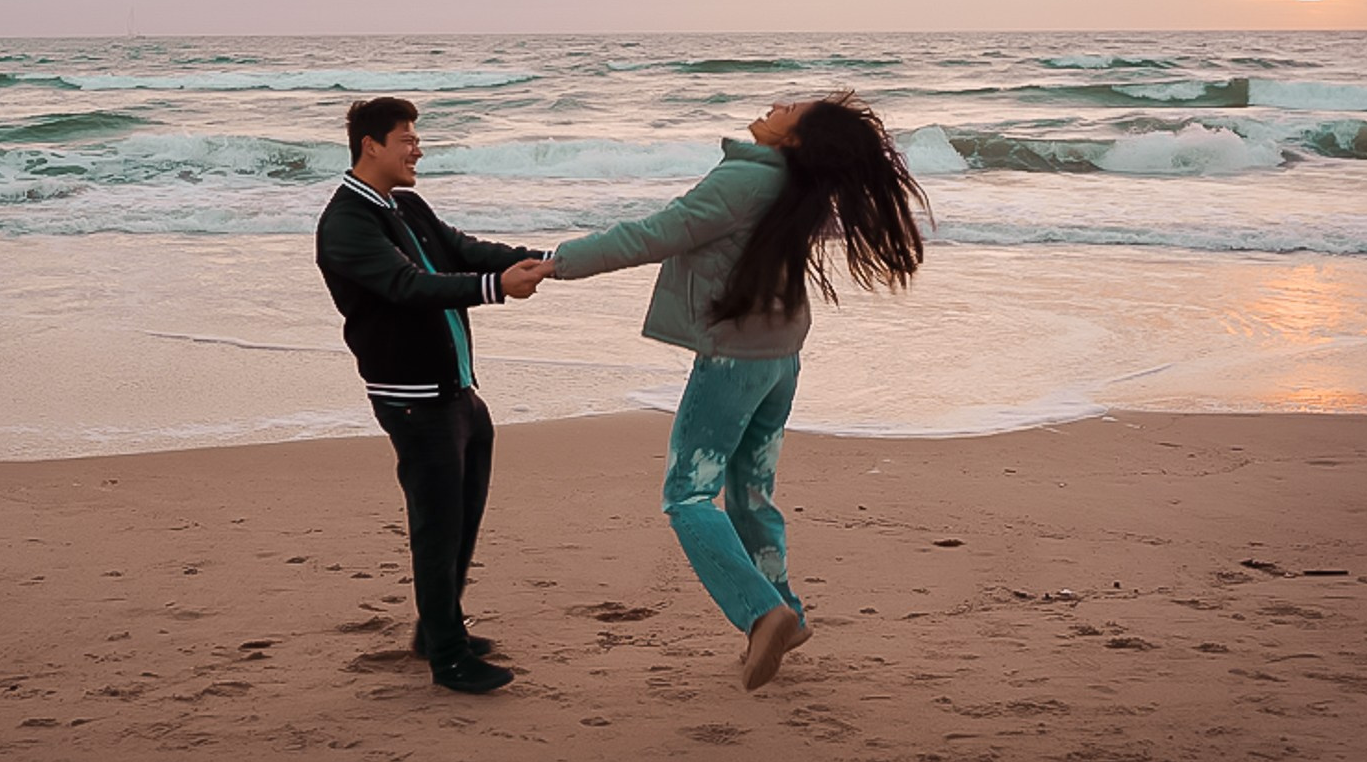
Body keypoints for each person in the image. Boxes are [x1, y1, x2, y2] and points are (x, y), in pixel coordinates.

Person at [544, 92, 927, 690]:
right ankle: (787, 616)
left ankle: (762, 612)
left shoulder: (747, 178)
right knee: (750, 493)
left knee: (687, 496)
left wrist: (555, 262)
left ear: (793, 140)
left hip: (733, 362)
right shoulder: (803, 185)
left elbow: (656, 233)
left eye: (789, 109)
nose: (775, 104)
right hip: (780, 358)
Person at [316, 96, 551, 694]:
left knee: (464, 516)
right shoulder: (345, 222)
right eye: (407, 138)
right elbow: (408, 286)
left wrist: (552, 261)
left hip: (457, 391)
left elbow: (464, 250)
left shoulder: (407, 205)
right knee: (436, 524)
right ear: (371, 145)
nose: (418, 148)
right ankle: (447, 658)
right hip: (412, 396)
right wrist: (498, 288)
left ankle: (436, 627)